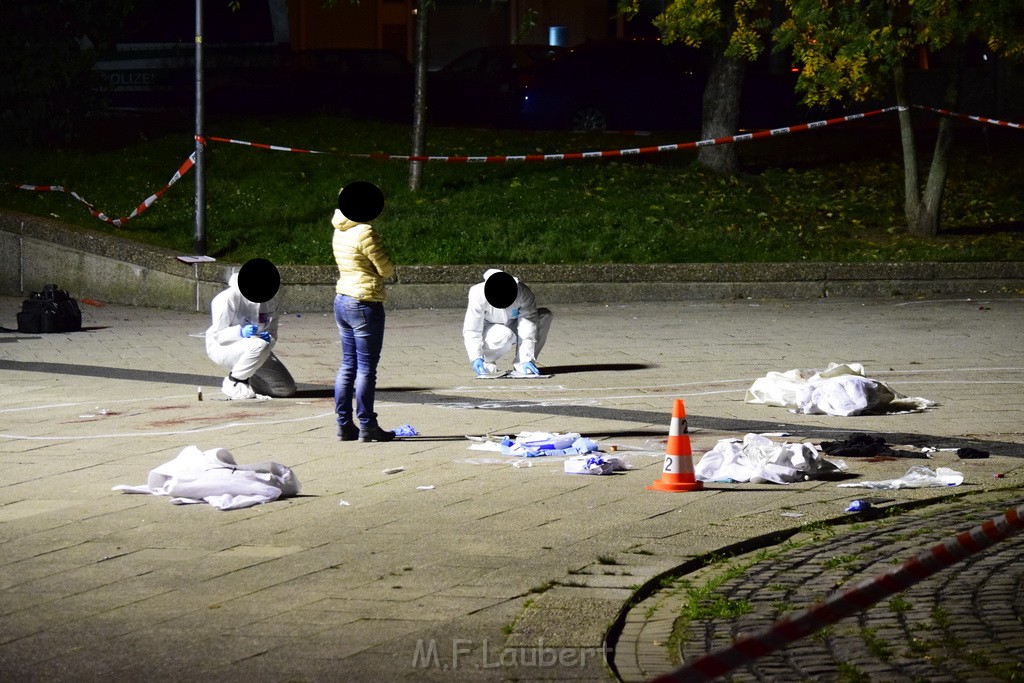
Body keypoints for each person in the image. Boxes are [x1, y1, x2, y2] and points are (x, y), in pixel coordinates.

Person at [332, 181, 396, 442]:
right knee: (367, 368)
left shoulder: (339, 228)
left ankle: (345, 425)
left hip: (342, 299)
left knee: (348, 365)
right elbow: (386, 269)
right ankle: (368, 424)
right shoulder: (366, 232)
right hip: (365, 301)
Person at [205, 258, 296, 400]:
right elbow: (218, 335)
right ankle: (234, 381)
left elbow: (272, 333)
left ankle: (248, 379)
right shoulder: (227, 298)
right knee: (258, 345)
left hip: (257, 348)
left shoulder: (271, 301)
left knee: (285, 389)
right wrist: (240, 332)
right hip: (223, 347)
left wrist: (269, 339)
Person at [463, 269, 553, 376]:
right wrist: (476, 357)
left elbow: (528, 326)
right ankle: (486, 360)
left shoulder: (523, 293)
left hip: (514, 323)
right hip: (489, 329)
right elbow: (472, 329)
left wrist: (526, 357)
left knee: (545, 316)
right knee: (505, 334)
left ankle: (523, 364)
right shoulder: (477, 293)